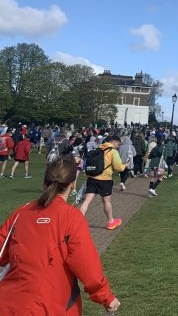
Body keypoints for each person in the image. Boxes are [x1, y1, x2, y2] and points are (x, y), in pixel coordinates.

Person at [0, 156, 121, 314]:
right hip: (50, 306)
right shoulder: (70, 217)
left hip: (10, 304)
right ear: (72, 184)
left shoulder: (22, 212)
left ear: (45, 182)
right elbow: (87, 265)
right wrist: (106, 297)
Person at [79, 134, 126, 230]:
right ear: (114, 142)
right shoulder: (113, 151)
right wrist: (125, 166)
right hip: (105, 179)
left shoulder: (98, 149)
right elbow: (119, 167)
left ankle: (78, 222)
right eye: (118, 144)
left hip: (92, 178)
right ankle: (111, 221)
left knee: (86, 202)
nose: (118, 146)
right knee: (106, 201)